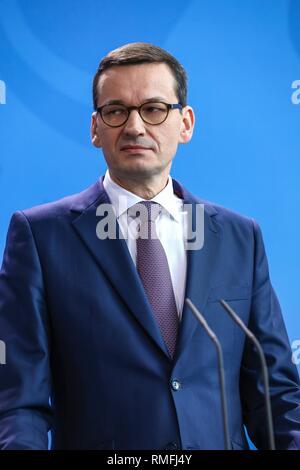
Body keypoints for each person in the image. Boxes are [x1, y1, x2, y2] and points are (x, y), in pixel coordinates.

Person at [0, 42, 299, 451]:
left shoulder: (239, 237)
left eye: (155, 109)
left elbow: (276, 396)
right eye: (116, 110)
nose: (135, 127)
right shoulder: (39, 236)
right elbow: (18, 402)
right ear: (95, 127)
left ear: (186, 123)